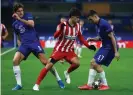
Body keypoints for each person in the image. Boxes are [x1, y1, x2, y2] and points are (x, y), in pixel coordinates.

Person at [33, 7, 96, 91]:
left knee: (77, 63)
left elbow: (81, 37)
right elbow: (55, 36)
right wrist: (61, 29)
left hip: (69, 51)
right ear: (72, 17)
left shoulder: (78, 26)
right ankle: (37, 85)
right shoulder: (63, 25)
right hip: (59, 50)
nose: (78, 19)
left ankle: (67, 72)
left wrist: (88, 46)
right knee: (48, 66)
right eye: (77, 17)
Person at [12, 3, 64, 90]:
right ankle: (19, 84)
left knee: (46, 63)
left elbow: (32, 24)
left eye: (22, 10)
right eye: (18, 11)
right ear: (15, 12)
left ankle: (59, 79)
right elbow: (18, 37)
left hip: (34, 43)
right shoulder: (14, 25)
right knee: (15, 60)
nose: (21, 12)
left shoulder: (28, 15)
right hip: (24, 45)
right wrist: (20, 47)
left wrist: (20, 19)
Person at [78, 10, 120, 90]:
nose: (90, 21)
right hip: (105, 46)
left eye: (90, 19)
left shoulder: (104, 24)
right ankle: (89, 85)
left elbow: (112, 37)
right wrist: (92, 39)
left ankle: (105, 85)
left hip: (109, 48)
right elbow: (101, 37)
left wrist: (116, 52)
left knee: (95, 63)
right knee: (92, 63)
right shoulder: (98, 24)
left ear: (95, 16)